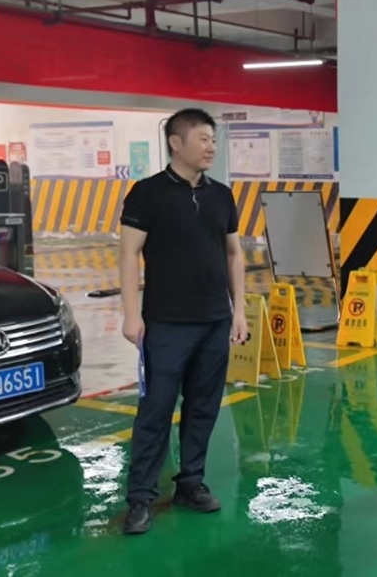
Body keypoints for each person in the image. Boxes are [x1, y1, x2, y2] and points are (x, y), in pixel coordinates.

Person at [118, 108, 249, 535]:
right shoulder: (147, 194)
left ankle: (191, 482)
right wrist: (132, 315)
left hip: (214, 322)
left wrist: (239, 310)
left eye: (213, 139)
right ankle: (140, 497)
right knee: (156, 410)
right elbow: (128, 255)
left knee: (203, 406)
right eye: (203, 139)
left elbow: (233, 254)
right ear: (176, 143)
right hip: (166, 324)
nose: (211, 147)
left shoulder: (221, 195)